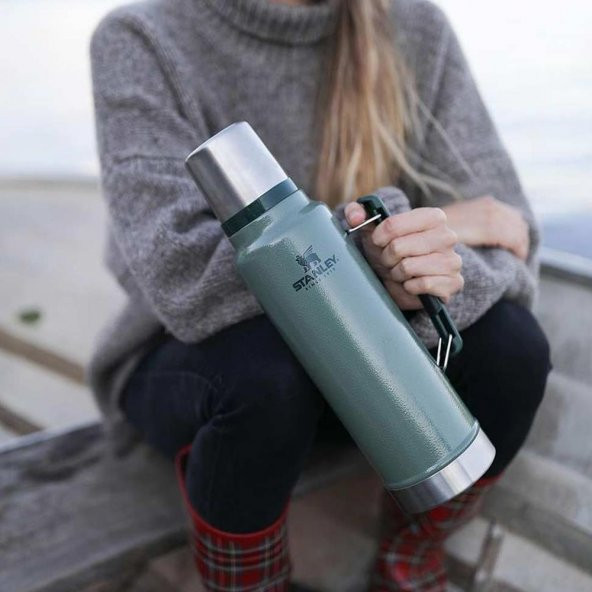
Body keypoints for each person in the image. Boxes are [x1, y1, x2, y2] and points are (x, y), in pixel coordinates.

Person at [87, 0, 552, 590]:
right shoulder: (142, 38)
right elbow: (182, 278)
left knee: (514, 349)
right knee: (269, 374)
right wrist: (370, 255)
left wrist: (411, 268)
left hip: (367, 371)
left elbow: (510, 235)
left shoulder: (414, 27)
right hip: (201, 371)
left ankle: (407, 559)